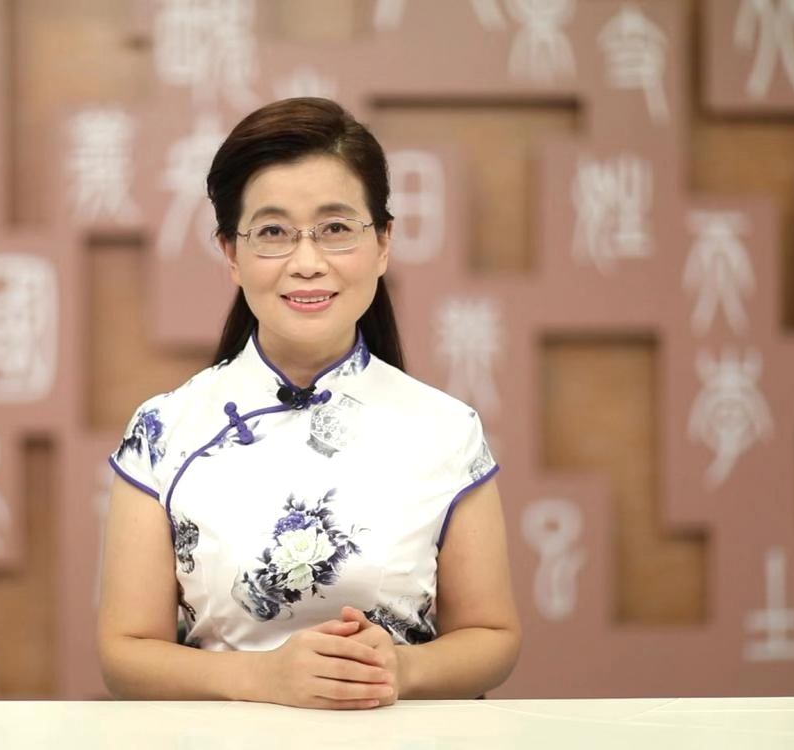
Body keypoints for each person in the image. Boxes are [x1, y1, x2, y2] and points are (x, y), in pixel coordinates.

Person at [98, 97, 521, 710]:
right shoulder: (164, 429)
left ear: (383, 244)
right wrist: (261, 679)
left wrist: (401, 668)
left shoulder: (446, 429)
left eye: (336, 229)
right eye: (273, 232)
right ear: (231, 253)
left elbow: (492, 637)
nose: (307, 262)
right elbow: (125, 654)